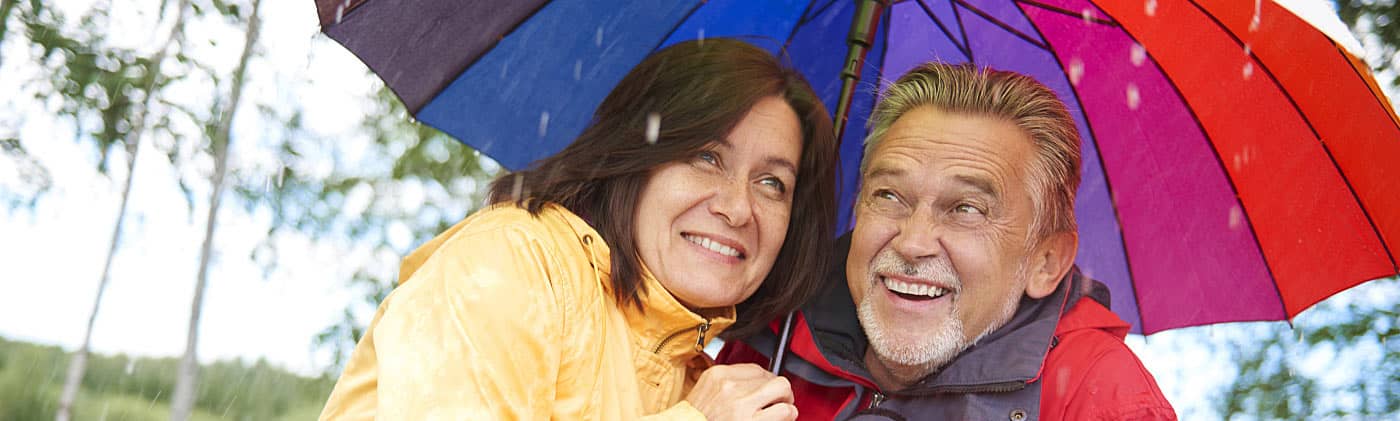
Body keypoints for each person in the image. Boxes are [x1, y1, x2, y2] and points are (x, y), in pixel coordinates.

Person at [319, 38, 838, 420]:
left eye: (772, 183)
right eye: (706, 156)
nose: (738, 207)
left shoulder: (702, 380)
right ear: (637, 158)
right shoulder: (509, 265)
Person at [718, 62, 1176, 420]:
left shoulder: (1102, 396)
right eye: (890, 195)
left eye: (966, 209)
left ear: (1046, 261)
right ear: (857, 207)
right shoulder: (770, 342)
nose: (913, 242)